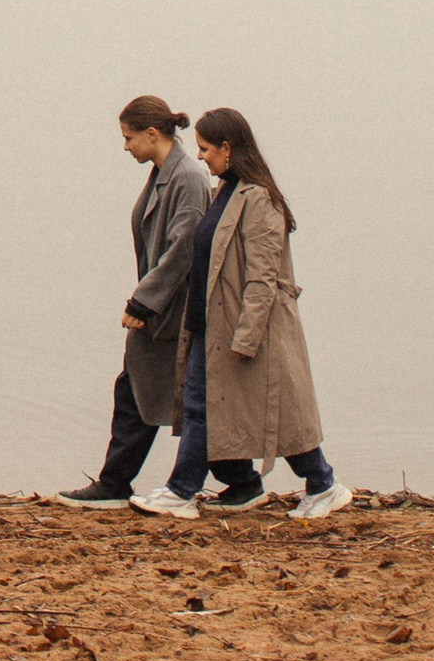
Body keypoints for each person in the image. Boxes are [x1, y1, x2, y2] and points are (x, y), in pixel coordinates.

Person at [138, 105, 352, 524]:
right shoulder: (225, 192)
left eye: (205, 149)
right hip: (209, 325)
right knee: (204, 408)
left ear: (228, 148)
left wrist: (247, 338)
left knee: (279, 415)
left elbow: (263, 277)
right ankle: (205, 489)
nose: (200, 157)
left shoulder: (260, 200)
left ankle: (322, 484)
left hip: (244, 330)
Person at [56, 96, 211, 508]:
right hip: (161, 311)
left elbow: (184, 248)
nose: (125, 147)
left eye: (128, 138)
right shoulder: (165, 173)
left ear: (152, 134)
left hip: (171, 314)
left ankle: (116, 484)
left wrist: (143, 302)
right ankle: (116, 481)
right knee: (142, 392)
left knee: (173, 396)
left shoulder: (188, 178)